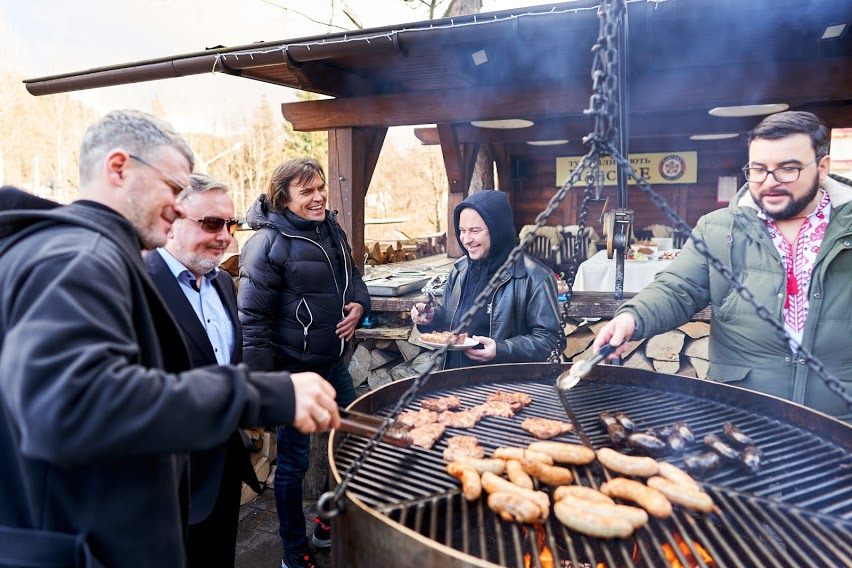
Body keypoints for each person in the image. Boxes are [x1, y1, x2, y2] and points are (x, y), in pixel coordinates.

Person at [0, 110, 341, 568]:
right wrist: (262, 391)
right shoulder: (81, 257)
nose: (181, 207)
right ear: (118, 168)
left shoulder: (71, 252)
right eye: (172, 188)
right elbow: (69, 404)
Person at [593, 111, 852, 421]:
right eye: (758, 169)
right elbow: (677, 289)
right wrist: (632, 318)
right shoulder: (719, 228)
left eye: (788, 169)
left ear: (822, 167)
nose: (770, 182)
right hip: (740, 413)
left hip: (838, 417)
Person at [238, 157, 370, 568]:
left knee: (350, 446)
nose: (318, 198)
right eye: (307, 191)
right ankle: (293, 550)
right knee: (293, 465)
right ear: (283, 198)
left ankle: (327, 523)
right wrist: (267, 386)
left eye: (320, 188)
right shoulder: (266, 244)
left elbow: (354, 277)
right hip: (293, 371)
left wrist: (358, 307)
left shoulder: (331, 228)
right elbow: (252, 321)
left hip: (334, 363)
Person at [144, 173, 259, 568]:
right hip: (166, 484)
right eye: (211, 223)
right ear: (171, 219)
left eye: (231, 224)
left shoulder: (224, 282)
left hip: (225, 467)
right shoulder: (137, 284)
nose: (226, 236)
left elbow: (228, 367)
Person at [411, 189, 561, 369]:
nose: (466, 239)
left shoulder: (535, 277)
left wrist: (502, 349)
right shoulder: (460, 270)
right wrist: (431, 318)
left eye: (475, 231)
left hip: (503, 384)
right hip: (451, 378)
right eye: (462, 230)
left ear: (498, 229)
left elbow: (551, 341)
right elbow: (450, 320)